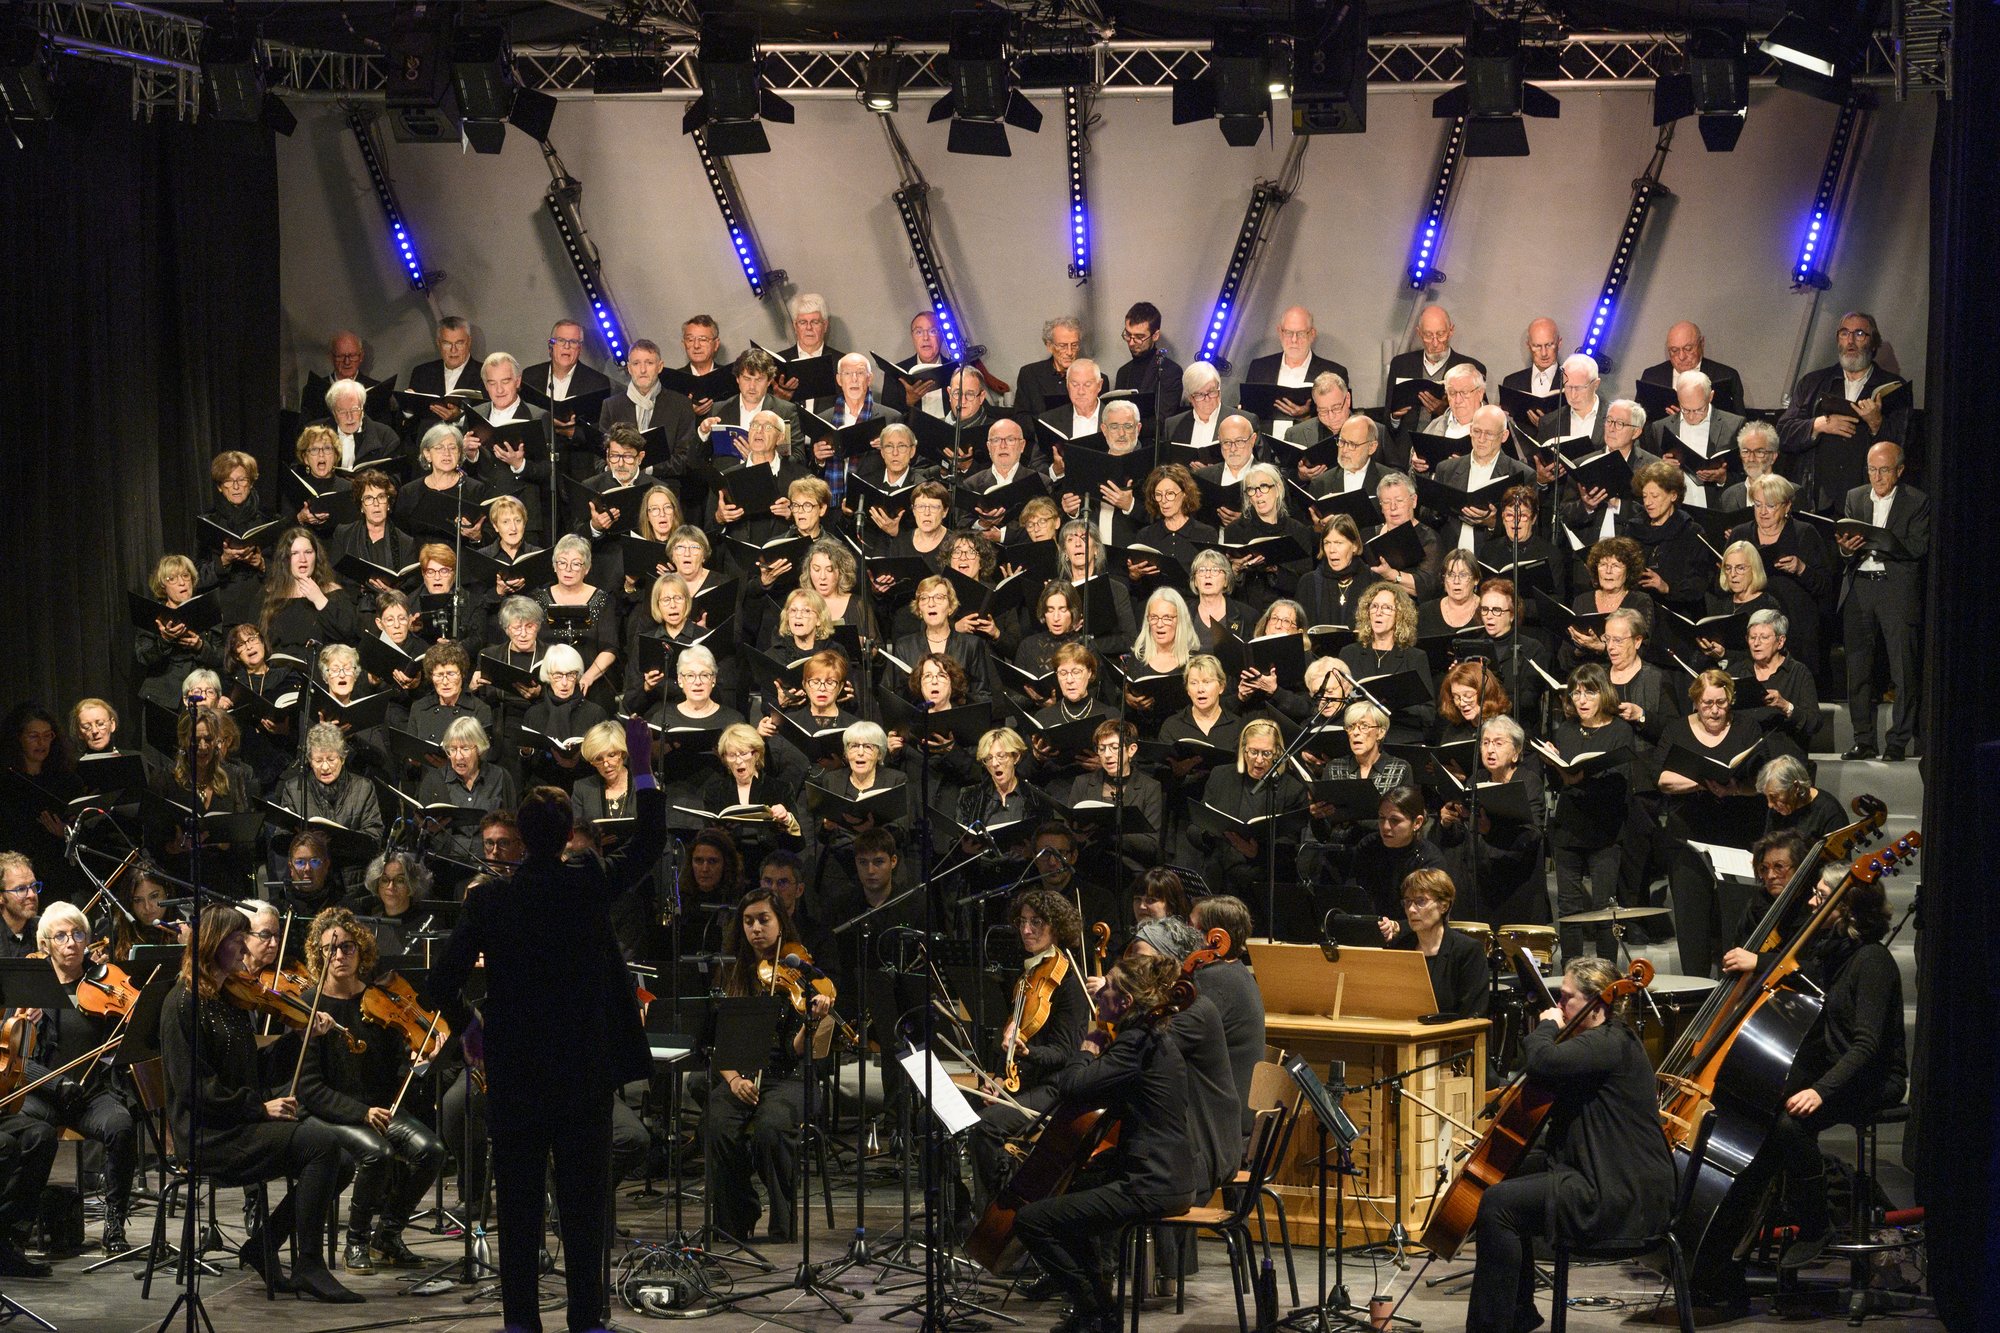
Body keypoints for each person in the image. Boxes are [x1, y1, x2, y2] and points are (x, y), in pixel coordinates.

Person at [425, 717, 666, 1333]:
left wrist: (471, 1030)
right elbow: (650, 843)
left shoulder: (488, 900)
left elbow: (438, 983)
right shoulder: (585, 885)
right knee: (585, 1206)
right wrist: (641, 765)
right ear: (566, 837)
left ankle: (520, 1324)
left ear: (523, 839)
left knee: (520, 1207)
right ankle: (586, 1320)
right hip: (582, 1069)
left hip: (515, 1070)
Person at [1464, 956, 1676, 1333]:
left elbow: (1543, 1060)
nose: (1559, 1006)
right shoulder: (1598, 1042)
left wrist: (1546, 1026)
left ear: (1598, 1002)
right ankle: (1516, 1314)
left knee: (1499, 1205)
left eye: (1566, 998)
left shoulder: (1611, 1042)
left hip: (1618, 1192)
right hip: (1603, 1172)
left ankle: (1494, 1326)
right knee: (1503, 1181)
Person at [160, 905, 361, 1301]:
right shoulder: (183, 1003)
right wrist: (259, 1109)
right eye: (238, 939)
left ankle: (265, 1243)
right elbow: (195, 1090)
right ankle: (308, 1264)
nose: (245, 948)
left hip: (236, 1121)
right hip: (208, 1134)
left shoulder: (228, 998)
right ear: (213, 943)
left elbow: (257, 1068)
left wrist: (303, 1037)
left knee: (341, 1161)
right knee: (321, 1145)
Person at [1011, 953, 1201, 1333]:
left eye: (1108, 988)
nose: (1099, 995)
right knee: (1072, 1195)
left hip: (1152, 1183)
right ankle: (1097, 1311)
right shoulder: (1152, 1038)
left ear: (1125, 1003)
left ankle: (1095, 1310)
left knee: (1032, 1221)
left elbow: (1072, 1087)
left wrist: (1089, 1043)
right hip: (1166, 1174)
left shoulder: (1135, 1044)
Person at [1760, 872, 1906, 1270]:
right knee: (1768, 1108)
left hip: (1874, 1079)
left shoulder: (1872, 961)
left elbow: (1867, 1046)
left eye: (1821, 895)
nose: (1811, 902)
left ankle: (1815, 1224)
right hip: (1842, 1072)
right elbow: (1795, 971)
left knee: (1792, 1124)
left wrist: (1821, 1090)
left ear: (1847, 909)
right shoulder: (1835, 952)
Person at [295, 906, 446, 1274]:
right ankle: (356, 1241)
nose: (339, 955)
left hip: (379, 1108)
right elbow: (310, 1088)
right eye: (329, 949)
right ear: (318, 954)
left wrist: (418, 1059)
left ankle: (387, 1236)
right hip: (333, 1114)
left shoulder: (379, 999)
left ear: (361, 951)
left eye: (346, 947)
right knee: (377, 1153)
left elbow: (396, 1069)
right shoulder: (309, 1006)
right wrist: (361, 1113)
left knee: (432, 1151)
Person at [705, 887, 836, 1243]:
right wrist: (733, 1081)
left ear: (781, 923)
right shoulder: (733, 974)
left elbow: (797, 1051)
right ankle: (739, 1212)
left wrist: (811, 1022)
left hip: (790, 1078)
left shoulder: (799, 973)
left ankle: (782, 1221)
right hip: (741, 1074)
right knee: (717, 1123)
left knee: (771, 1127)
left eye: (764, 919)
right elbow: (720, 1045)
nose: (756, 928)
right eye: (748, 921)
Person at [18, 903, 139, 1254]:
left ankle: (114, 1222)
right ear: (45, 945)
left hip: (89, 1093)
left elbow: (125, 1041)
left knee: (121, 1126)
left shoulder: (102, 981)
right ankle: (20, 1223)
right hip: (43, 1090)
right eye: (61, 936)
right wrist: (28, 1025)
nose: (71, 943)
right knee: (23, 1132)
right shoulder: (29, 985)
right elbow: (14, 1057)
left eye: (78, 934)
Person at [966, 890, 1091, 1213]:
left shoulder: (1068, 983)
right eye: (1022, 922)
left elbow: (1064, 1053)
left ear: (1057, 927)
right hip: (1020, 1079)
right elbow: (1010, 1037)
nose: (1026, 930)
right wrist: (994, 1077)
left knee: (986, 1126)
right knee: (937, 1114)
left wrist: (1026, 1052)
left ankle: (999, 1214)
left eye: (1037, 922)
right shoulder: (1028, 974)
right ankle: (956, 1209)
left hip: (1052, 1086)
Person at [1837, 441, 1928, 760]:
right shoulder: (1855, 496)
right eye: (1872, 469)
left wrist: (1881, 542)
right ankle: (1863, 739)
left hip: (1895, 591)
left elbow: (1917, 547)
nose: (1877, 476)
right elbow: (1845, 544)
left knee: (1902, 668)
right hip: (1859, 587)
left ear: (1899, 471)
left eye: (1884, 470)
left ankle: (1898, 742)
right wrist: (1847, 549)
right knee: (1858, 669)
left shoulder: (1916, 501)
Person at [1775, 311, 1912, 513]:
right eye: (1844, 333)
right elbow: (1783, 432)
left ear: (1873, 343)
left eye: (1859, 334)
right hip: (1817, 501)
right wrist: (1818, 425)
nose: (1850, 341)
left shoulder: (1892, 388)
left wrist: (1876, 424)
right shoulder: (1813, 383)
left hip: (1866, 502)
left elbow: (1904, 446)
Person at [1545, 665, 1636, 961]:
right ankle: (1571, 969)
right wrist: (1554, 763)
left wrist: (1578, 781)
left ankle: (1606, 970)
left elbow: (1620, 781)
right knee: (1569, 907)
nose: (1581, 699)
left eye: (1589, 692)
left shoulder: (1620, 730)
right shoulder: (1567, 730)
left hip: (1605, 830)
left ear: (1603, 693)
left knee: (1603, 907)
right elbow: (1559, 782)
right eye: (1576, 692)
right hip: (1568, 827)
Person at [1375, 868, 1492, 1019]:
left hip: (1450, 1039)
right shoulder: (1400, 949)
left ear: (1444, 906)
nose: (1411, 909)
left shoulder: (1468, 951)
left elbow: (1473, 1016)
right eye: (1407, 902)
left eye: (1420, 901)